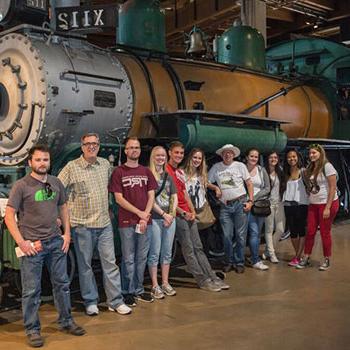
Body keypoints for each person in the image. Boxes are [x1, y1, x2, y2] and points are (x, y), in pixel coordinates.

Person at [5, 144, 85, 348]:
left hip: (55, 243)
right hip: (33, 246)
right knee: (31, 290)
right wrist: (21, 242)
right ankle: (32, 330)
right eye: (38, 160)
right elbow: (9, 215)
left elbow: (63, 207)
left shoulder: (56, 182)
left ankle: (66, 321)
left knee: (62, 284)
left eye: (46, 160)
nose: (43, 163)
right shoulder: (21, 185)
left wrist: (66, 234)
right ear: (30, 162)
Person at [58, 133, 131, 316]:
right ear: (82, 146)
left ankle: (115, 301)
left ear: (98, 146)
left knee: (110, 263)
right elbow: (58, 190)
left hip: (104, 224)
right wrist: (57, 216)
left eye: (95, 144)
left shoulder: (105, 164)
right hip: (82, 226)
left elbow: (112, 187)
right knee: (85, 266)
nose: (92, 147)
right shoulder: (71, 167)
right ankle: (90, 301)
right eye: (88, 144)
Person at [166, 142, 229, 292]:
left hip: (189, 214)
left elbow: (185, 193)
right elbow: (169, 197)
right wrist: (182, 212)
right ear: (170, 153)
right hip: (179, 214)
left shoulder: (178, 173)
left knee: (198, 247)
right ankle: (202, 280)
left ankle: (212, 276)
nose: (179, 155)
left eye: (181, 153)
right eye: (176, 153)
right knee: (189, 249)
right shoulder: (166, 172)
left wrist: (192, 211)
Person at [109, 137, 158, 306]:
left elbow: (151, 195)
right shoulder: (119, 172)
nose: (134, 150)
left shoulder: (146, 171)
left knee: (142, 257)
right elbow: (118, 199)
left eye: (137, 147)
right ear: (125, 151)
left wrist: (145, 215)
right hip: (126, 222)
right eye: (131, 147)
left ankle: (138, 289)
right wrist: (140, 213)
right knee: (128, 258)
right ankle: (127, 291)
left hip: (145, 222)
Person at [208, 144, 254, 274]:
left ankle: (239, 262)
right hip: (225, 206)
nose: (227, 155)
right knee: (227, 235)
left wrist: (250, 201)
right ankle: (228, 261)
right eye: (225, 153)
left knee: (240, 236)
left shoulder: (240, 166)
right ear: (222, 155)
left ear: (233, 155)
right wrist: (215, 188)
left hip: (240, 203)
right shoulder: (216, 167)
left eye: (230, 153)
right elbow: (206, 181)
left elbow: (249, 183)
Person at [296, 144, 339, 270]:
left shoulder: (327, 166)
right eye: (310, 153)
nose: (311, 155)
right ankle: (306, 257)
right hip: (314, 204)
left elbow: (332, 187)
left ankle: (327, 259)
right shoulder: (311, 167)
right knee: (310, 231)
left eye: (314, 153)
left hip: (327, 204)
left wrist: (327, 207)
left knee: (325, 232)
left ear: (320, 153)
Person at [148, 146, 178, 299]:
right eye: (158, 155)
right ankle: (154, 285)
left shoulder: (168, 175)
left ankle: (165, 282)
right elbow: (150, 200)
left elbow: (174, 196)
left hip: (169, 220)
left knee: (166, 253)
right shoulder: (148, 175)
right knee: (154, 252)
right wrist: (164, 214)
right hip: (155, 219)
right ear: (153, 157)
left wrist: (171, 215)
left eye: (163, 156)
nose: (160, 158)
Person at [182, 148, 220, 255]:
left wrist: (215, 188)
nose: (197, 160)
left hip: (201, 211)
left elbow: (206, 183)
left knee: (203, 241)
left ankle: (205, 264)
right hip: (189, 211)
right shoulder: (182, 173)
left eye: (199, 158)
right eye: (195, 157)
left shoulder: (201, 174)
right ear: (190, 158)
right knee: (191, 242)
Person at [282, 149, 309, 267]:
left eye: (294, 156)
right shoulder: (285, 172)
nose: (291, 159)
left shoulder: (303, 171)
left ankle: (297, 257)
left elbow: (311, 186)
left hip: (301, 204)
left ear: (298, 157)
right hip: (288, 204)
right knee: (293, 232)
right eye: (289, 157)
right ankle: (298, 255)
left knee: (301, 230)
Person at [245, 148, 271, 270]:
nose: (254, 159)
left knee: (255, 233)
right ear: (247, 157)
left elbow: (267, 188)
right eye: (251, 156)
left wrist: (253, 198)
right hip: (245, 205)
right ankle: (254, 259)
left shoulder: (261, 170)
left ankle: (254, 258)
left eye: (256, 157)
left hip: (258, 205)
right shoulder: (241, 169)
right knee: (252, 233)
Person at [263, 151, 285, 264]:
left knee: (281, 229)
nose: (273, 159)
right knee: (269, 230)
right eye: (271, 157)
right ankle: (272, 254)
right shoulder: (263, 171)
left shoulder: (280, 171)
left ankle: (267, 251)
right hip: (268, 204)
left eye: (275, 157)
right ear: (267, 159)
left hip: (279, 203)